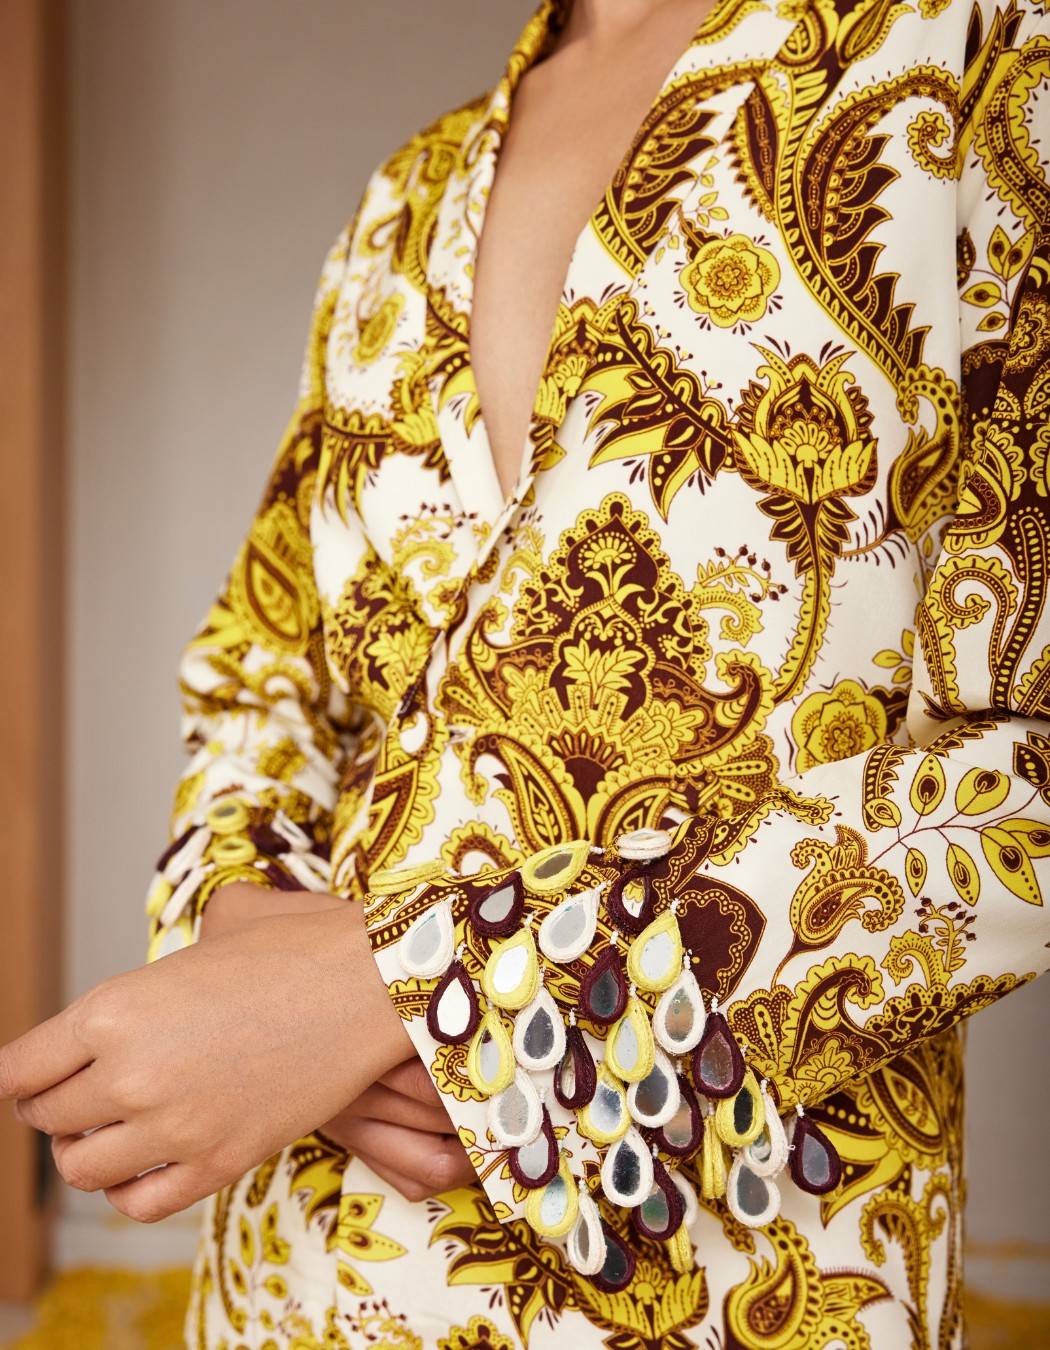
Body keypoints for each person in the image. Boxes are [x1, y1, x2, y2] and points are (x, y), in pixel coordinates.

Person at [2, 0, 1049, 1344]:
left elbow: (1023, 770)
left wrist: (427, 993)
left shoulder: (972, 58)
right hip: (305, 1262)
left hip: (751, 1275)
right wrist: (237, 931)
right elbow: (264, 675)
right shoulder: (406, 198)